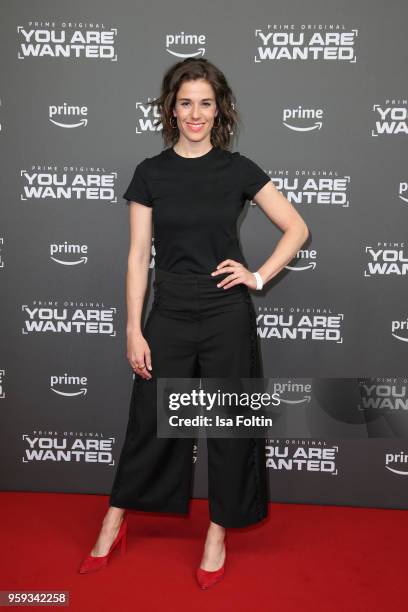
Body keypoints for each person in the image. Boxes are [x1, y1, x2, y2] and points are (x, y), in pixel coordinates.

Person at [79, 57, 309, 588]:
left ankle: (217, 532)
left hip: (227, 310)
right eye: (186, 103)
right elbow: (139, 256)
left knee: (230, 427)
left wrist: (258, 276)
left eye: (206, 103)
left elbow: (297, 227)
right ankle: (115, 520)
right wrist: (133, 329)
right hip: (171, 311)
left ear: (219, 109)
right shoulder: (151, 173)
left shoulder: (239, 169)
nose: (196, 113)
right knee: (150, 421)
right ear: (171, 109)